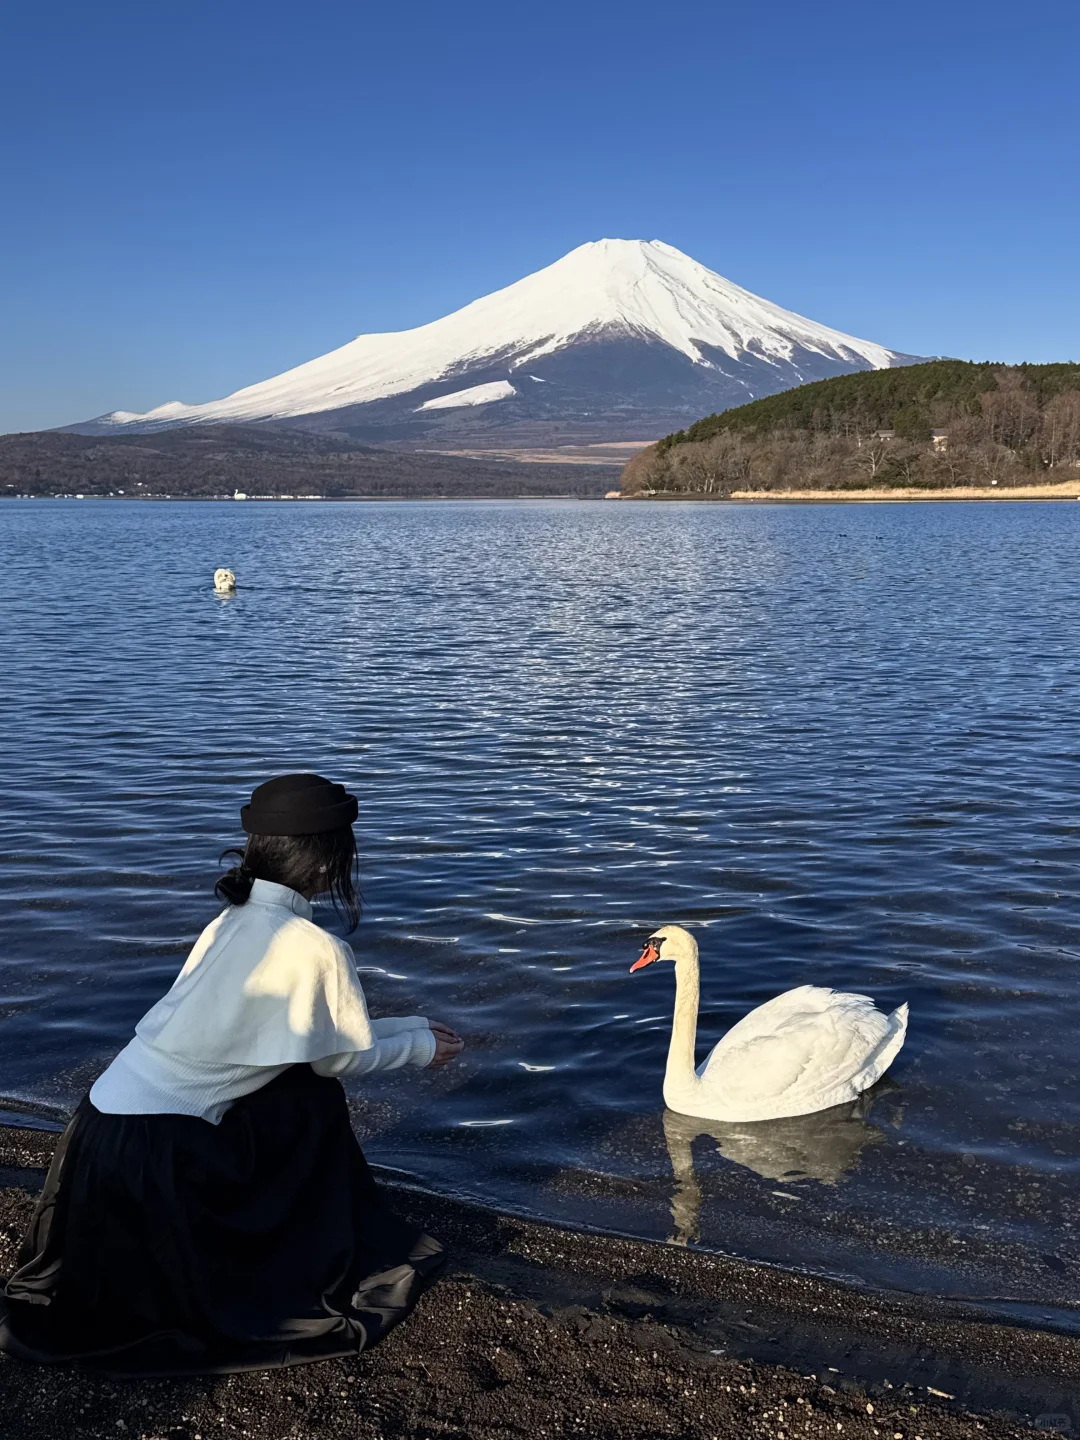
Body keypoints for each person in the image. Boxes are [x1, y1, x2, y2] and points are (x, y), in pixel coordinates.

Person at [0, 773, 463, 1376]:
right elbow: (333, 1059)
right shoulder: (314, 946)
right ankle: (313, 1240)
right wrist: (422, 1048)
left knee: (292, 1088)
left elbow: (308, 1037)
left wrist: (411, 1024)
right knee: (312, 1097)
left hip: (97, 1139)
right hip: (157, 1161)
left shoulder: (231, 922)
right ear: (328, 862)